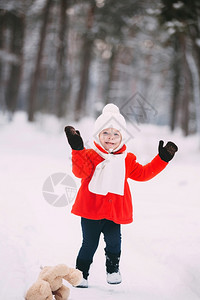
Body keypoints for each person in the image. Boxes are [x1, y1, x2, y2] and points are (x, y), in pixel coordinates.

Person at [64, 103, 178, 288]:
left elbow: (143, 174)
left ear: (122, 137)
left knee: (114, 243)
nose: (111, 138)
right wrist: (77, 149)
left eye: (116, 134)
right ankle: (80, 274)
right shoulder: (90, 155)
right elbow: (80, 172)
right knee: (89, 245)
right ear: (97, 135)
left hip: (114, 213)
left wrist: (161, 159)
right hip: (91, 212)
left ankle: (113, 270)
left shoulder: (127, 159)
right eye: (106, 133)